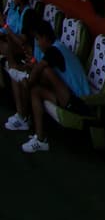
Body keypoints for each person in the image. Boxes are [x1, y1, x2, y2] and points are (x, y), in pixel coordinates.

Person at [7, 18, 92, 153]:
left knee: (43, 71)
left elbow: (41, 69)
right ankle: (41, 140)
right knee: (36, 91)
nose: (37, 43)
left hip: (80, 102)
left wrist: (28, 80)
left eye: (38, 39)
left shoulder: (54, 50)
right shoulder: (55, 49)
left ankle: (25, 81)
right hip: (68, 96)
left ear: (45, 38)